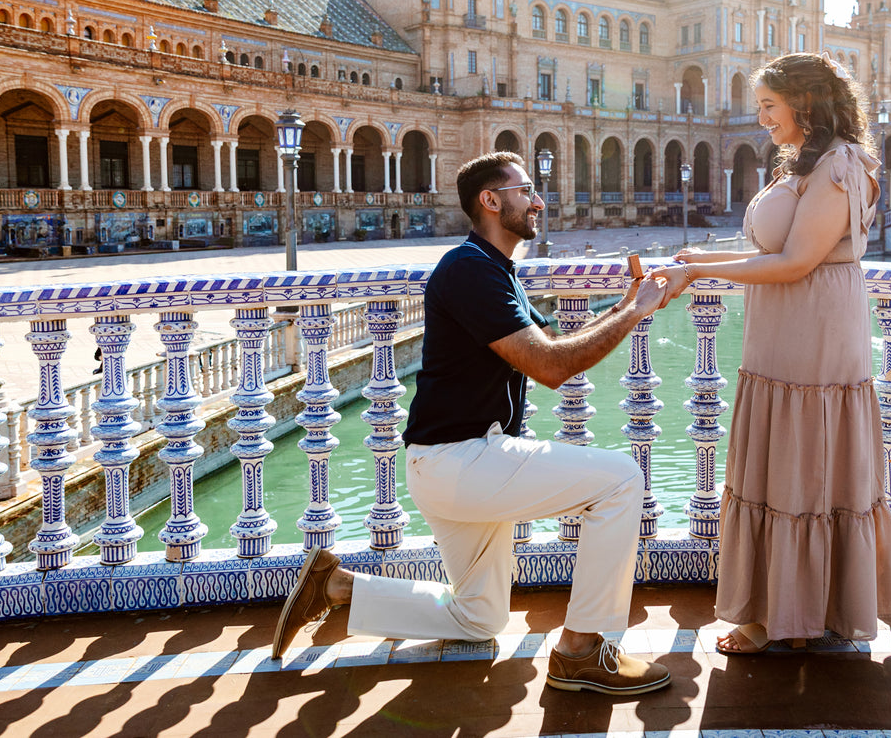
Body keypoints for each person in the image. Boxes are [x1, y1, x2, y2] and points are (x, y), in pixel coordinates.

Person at [273, 151, 677, 695]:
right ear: (490, 200)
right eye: (526, 190)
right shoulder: (469, 270)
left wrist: (629, 304)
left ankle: (339, 588)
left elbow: (553, 347)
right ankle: (582, 649)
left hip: (452, 466)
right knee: (622, 480)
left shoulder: (493, 268)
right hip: (463, 460)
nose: (539, 201)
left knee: (479, 620)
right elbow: (552, 368)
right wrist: (637, 311)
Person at [654, 52, 891, 654]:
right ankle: (781, 604)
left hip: (813, 325)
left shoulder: (839, 162)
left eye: (769, 105)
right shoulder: (810, 161)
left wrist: (697, 271)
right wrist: (697, 261)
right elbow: (780, 253)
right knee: (787, 456)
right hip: (787, 323)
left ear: (805, 103)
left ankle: (795, 611)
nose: (760, 117)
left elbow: (795, 262)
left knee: (804, 457)